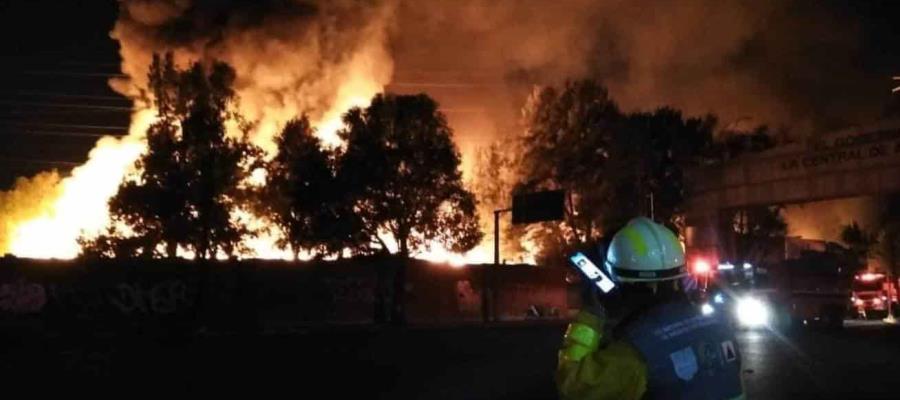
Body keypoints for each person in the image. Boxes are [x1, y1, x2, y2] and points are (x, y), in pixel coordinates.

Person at [557, 217, 745, 400]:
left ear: (621, 282)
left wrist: (591, 315)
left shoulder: (635, 353)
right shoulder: (719, 325)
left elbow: (573, 386)